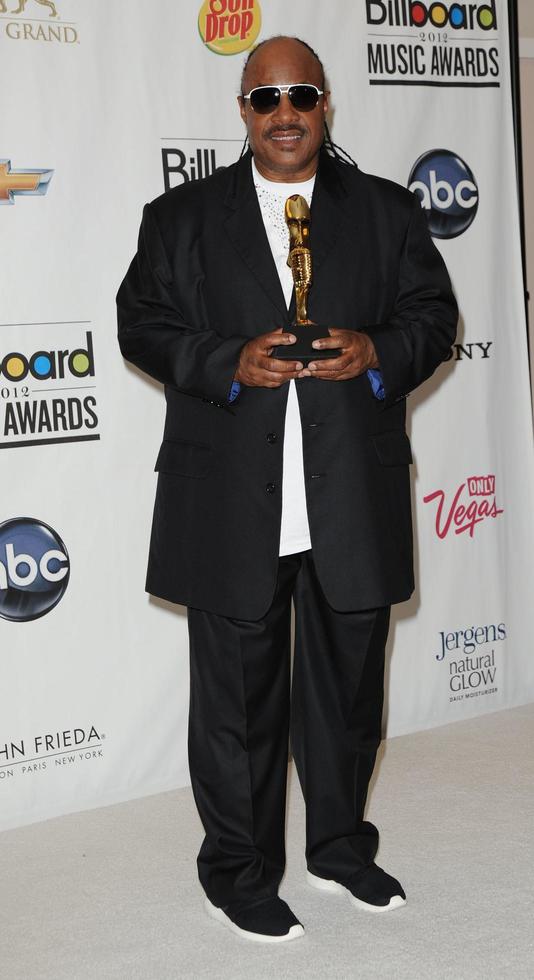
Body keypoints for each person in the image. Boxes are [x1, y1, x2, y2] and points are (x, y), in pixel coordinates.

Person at [117, 35, 458, 944]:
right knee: (235, 703)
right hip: (232, 494)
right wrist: (227, 361)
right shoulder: (179, 218)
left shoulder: (386, 213)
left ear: (326, 107)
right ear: (242, 111)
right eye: (265, 99)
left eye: (302, 96)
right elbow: (140, 325)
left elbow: (434, 316)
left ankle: (341, 848)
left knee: (349, 694)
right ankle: (238, 871)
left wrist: (378, 350)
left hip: (349, 488)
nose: (285, 115)